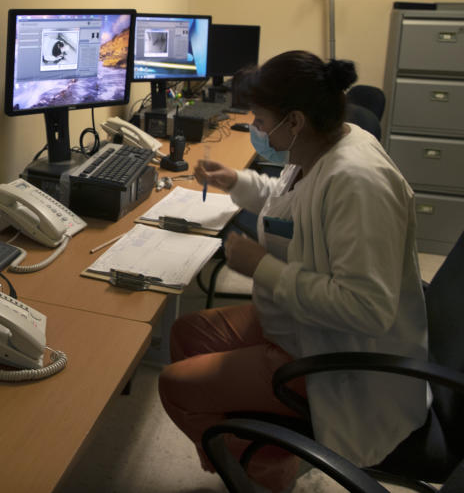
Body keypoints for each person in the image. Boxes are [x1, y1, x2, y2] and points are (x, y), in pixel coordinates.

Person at [158, 51, 428, 491]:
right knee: (186, 335)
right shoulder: (321, 145)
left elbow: (368, 308)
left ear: (295, 120)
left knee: (175, 385)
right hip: (296, 322)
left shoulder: (358, 180)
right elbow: (290, 204)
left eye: (261, 120)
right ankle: (264, 442)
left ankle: (269, 470)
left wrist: (262, 266)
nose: (257, 129)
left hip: (337, 356)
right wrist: (236, 181)